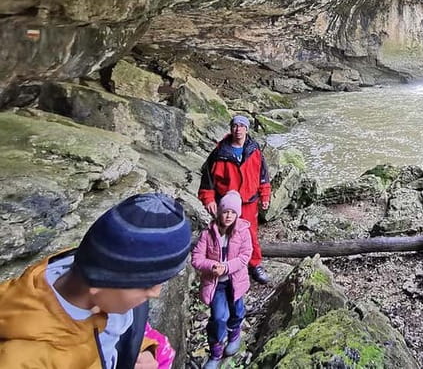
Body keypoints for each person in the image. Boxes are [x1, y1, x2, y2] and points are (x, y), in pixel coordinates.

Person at [0, 193, 192, 368]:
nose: (156, 292)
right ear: (103, 282)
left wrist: (143, 350)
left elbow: (117, 329)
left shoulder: (95, 276)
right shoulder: (25, 360)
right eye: (149, 284)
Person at [199, 115, 271, 285]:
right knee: (225, 235)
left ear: (247, 129)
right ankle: (227, 268)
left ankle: (254, 265)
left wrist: (265, 195)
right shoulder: (220, 152)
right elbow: (207, 178)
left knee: (250, 234)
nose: (238, 129)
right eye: (235, 126)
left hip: (248, 201)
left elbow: (263, 175)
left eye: (241, 126)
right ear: (230, 129)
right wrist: (209, 199)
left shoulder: (254, 149)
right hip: (226, 202)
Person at [191, 190, 253, 368]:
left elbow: (245, 256)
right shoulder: (208, 234)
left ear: (238, 214)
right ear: (219, 211)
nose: (229, 216)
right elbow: (196, 258)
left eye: (233, 212)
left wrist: (226, 267)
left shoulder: (243, 231)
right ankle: (216, 353)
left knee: (237, 311)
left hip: (235, 281)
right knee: (218, 317)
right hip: (215, 283)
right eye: (226, 211)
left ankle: (234, 334)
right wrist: (212, 266)